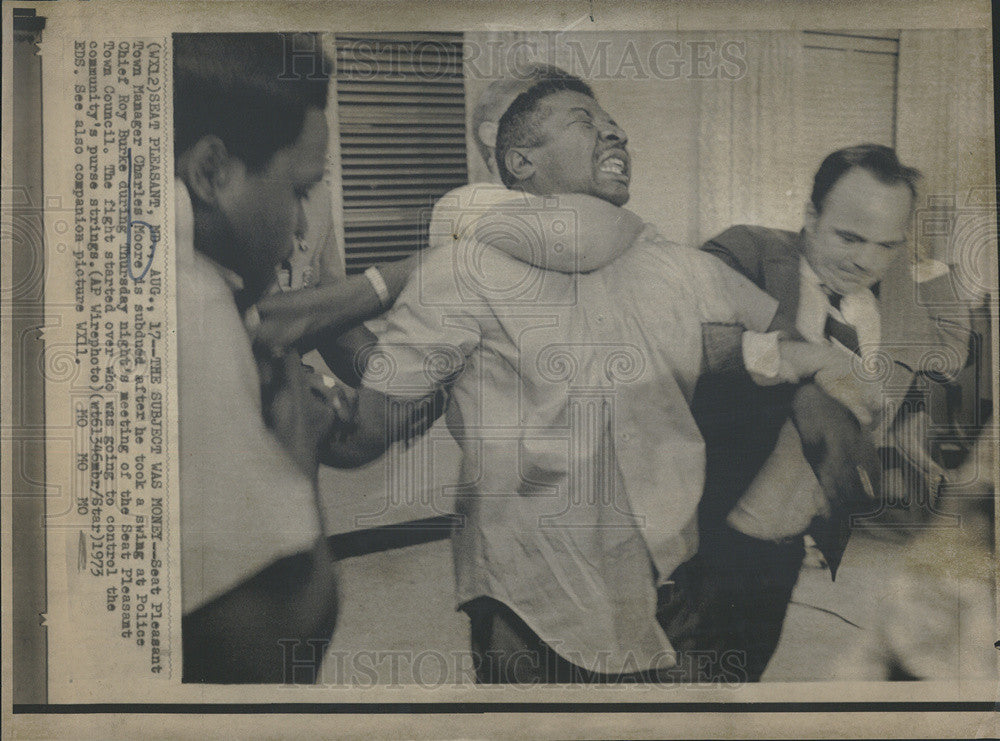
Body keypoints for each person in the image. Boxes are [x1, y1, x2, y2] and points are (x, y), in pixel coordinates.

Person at [321, 72, 857, 683]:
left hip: (662, 579)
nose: (615, 132)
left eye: (613, 124)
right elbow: (372, 427)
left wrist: (786, 365)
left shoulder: (676, 266)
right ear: (519, 160)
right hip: (528, 591)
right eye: (585, 122)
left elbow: (773, 340)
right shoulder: (461, 272)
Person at [672, 144, 974, 680]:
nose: (865, 260)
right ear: (811, 215)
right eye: (849, 237)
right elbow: (687, 338)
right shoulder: (748, 254)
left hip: (784, 547)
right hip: (699, 534)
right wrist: (811, 361)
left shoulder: (892, 307)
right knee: (671, 688)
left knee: (742, 678)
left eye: (886, 245)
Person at [173, 32, 407, 683]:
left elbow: (323, 315)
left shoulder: (199, 243)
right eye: (297, 193)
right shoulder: (190, 306)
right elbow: (276, 640)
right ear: (212, 170)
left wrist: (394, 379)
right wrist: (298, 437)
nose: (302, 226)